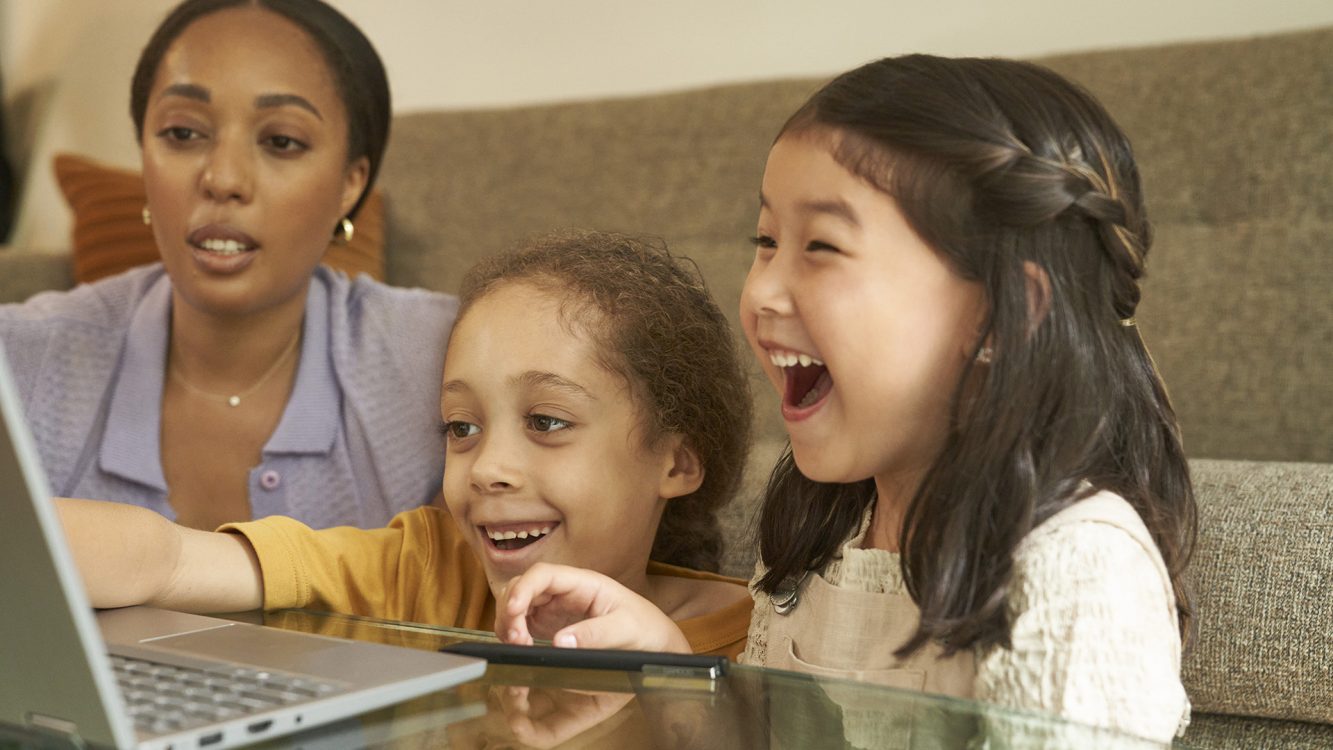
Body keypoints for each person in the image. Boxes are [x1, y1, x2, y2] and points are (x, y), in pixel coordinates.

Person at [494, 55, 1198, 742]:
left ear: (999, 314)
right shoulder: (823, 532)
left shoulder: (1076, 570)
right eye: (766, 239)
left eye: (822, 247)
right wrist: (668, 664)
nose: (761, 291)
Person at [57, 230, 755, 658]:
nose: (487, 469)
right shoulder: (427, 570)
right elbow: (171, 558)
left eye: (546, 422)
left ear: (677, 461)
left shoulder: (763, 637)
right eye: (462, 428)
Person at [0, 0, 456, 531]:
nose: (222, 178)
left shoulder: (445, 360)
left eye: (281, 141)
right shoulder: (22, 365)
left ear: (350, 184)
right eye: (183, 133)